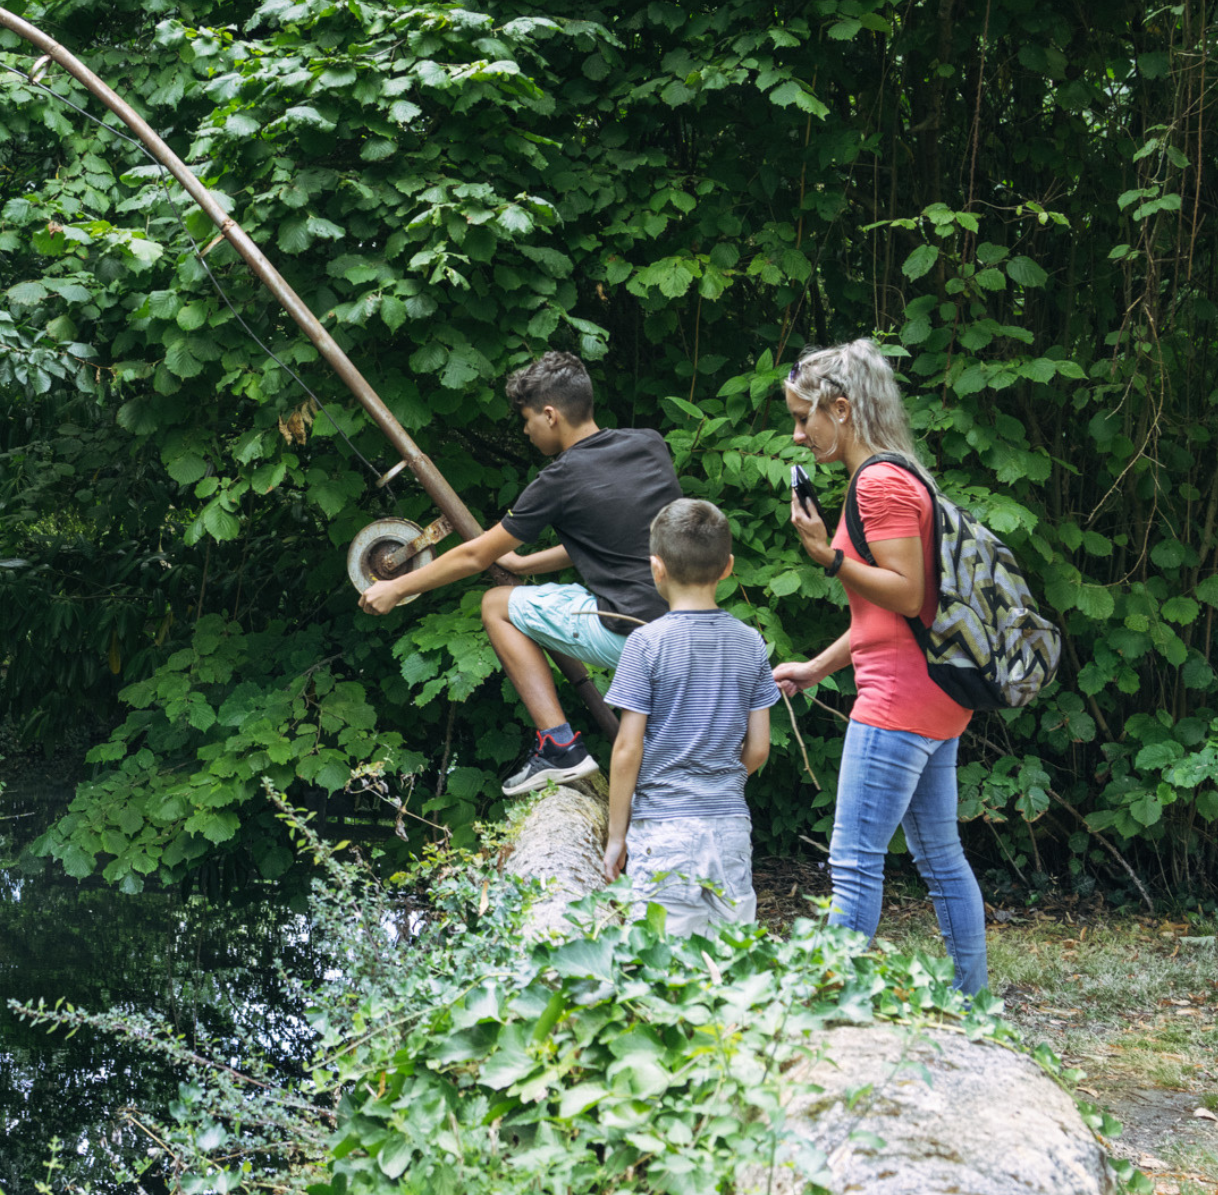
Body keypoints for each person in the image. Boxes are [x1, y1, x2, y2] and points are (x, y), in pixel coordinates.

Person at [357, 350, 682, 795]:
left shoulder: (559, 479)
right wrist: (523, 563)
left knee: (496, 605)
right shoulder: (649, 444)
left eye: (527, 420)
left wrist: (397, 588)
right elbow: (613, 535)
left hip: (632, 637)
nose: (526, 431)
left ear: (550, 415)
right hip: (683, 627)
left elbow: (474, 557)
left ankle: (560, 746)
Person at [770, 339, 987, 995]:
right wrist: (817, 667)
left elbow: (908, 594)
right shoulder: (898, 473)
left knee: (855, 862)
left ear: (841, 409)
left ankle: (830, 1011)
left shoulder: (879, 483)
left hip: (898, 701)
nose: (799, 435)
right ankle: (972, 1005)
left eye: (805, 418)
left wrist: (826, 555)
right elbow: (882, 619)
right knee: (940, 857)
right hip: (933, 696)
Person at [602, 498, 778, 933]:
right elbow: (758, 749)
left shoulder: (646, 644)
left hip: (663, 827)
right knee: (732, 951)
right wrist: (719, 785)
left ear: (656, 568)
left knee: (663, 955)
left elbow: (627, 750)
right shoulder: (751, 643)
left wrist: (616, 836)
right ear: (728, 567)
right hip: (730, 824)